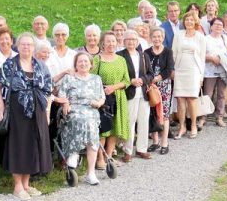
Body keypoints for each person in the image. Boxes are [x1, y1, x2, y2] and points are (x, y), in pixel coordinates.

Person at [0, 33, 53, 200]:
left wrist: (47, 112)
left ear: (34, 47)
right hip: (17, 111)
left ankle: (26, 184)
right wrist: (0, 109)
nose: (26, 47)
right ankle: (17, 186)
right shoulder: (10, 65)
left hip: (38, 111)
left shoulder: (41, 66)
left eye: (29, 44)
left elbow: (48, 90)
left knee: (32, 146)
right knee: (18, 146)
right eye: (23, 44)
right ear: (17, 46)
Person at [57, 52, 106, 185]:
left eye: (86, 61)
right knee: (80, 120)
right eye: (80, 62)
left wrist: (99, 103)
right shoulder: (69, 79)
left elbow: (102, 97)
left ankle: (91, 173)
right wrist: (66, 103)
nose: (83, 64)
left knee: (90, 124)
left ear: (91, 64)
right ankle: (74, 153)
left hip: (91, 109)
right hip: (73, 109)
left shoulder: (96, 79)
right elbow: (61, 95)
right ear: (76, 65)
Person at [92, 32, 130, 167]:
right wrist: (103, 89)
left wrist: (113, 87)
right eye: (108, 41)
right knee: (103, 129)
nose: (111, 44)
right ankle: (99, 158)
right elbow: (91, 79)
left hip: (118, 97)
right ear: (103, 43)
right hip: (102, 98)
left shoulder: (121, 59)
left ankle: (109, 157)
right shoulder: (97, 59)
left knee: (114, 128)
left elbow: (127, 81)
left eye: (113, 41)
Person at [118, 30, 154, 160]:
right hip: (129, 92)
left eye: (133, 39)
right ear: (124, 41)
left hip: (143, 93)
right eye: (128, 39)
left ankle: (141, 149)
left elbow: (150, 74)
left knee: (144, 121)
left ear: (137, 41)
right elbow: (119, 75)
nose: (131, 42)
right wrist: (131, 81)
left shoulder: (143, 56)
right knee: (130, 121)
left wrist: (142, 80)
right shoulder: (120, 56)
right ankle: (127, 150)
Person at [172, 12, 206, 138]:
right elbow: (174, 53)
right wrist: (174, 70)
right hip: (180, 69)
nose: (189, 22)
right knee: (180, 99)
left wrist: (201, 76)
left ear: (195, 22)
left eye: (192, 20)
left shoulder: (200, 37)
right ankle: (182, 127)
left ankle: (193, 125)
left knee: (192, 99)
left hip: (194, 71)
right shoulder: (178, 35)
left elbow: (202, 58)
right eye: (187, 20)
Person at [145, 27, 174, 155]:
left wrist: (157, 78)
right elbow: (144, 69)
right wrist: (150, 81)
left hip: (164, 86)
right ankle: (155, 141)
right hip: (150, 86)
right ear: (151, 38)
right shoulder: (146, 52)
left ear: (163, 38)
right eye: (154, 36)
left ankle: (164, 142)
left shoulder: (168, 52)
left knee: (165, 113)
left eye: (159, 36)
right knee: (152, 113)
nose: (157, 39)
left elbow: (169, 69)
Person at [202, 17, 227, 127]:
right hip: (209, 71)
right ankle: (203, 117)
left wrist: (220, 59)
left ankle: (219, 117)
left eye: (220, 24)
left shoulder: (225, 38)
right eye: (216, 24)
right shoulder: (205, 39)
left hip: (222, 70)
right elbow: (201, 54)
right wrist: (211, 58)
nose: (218, 26)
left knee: (221, 94)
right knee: (207, 94)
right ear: (211, 26)